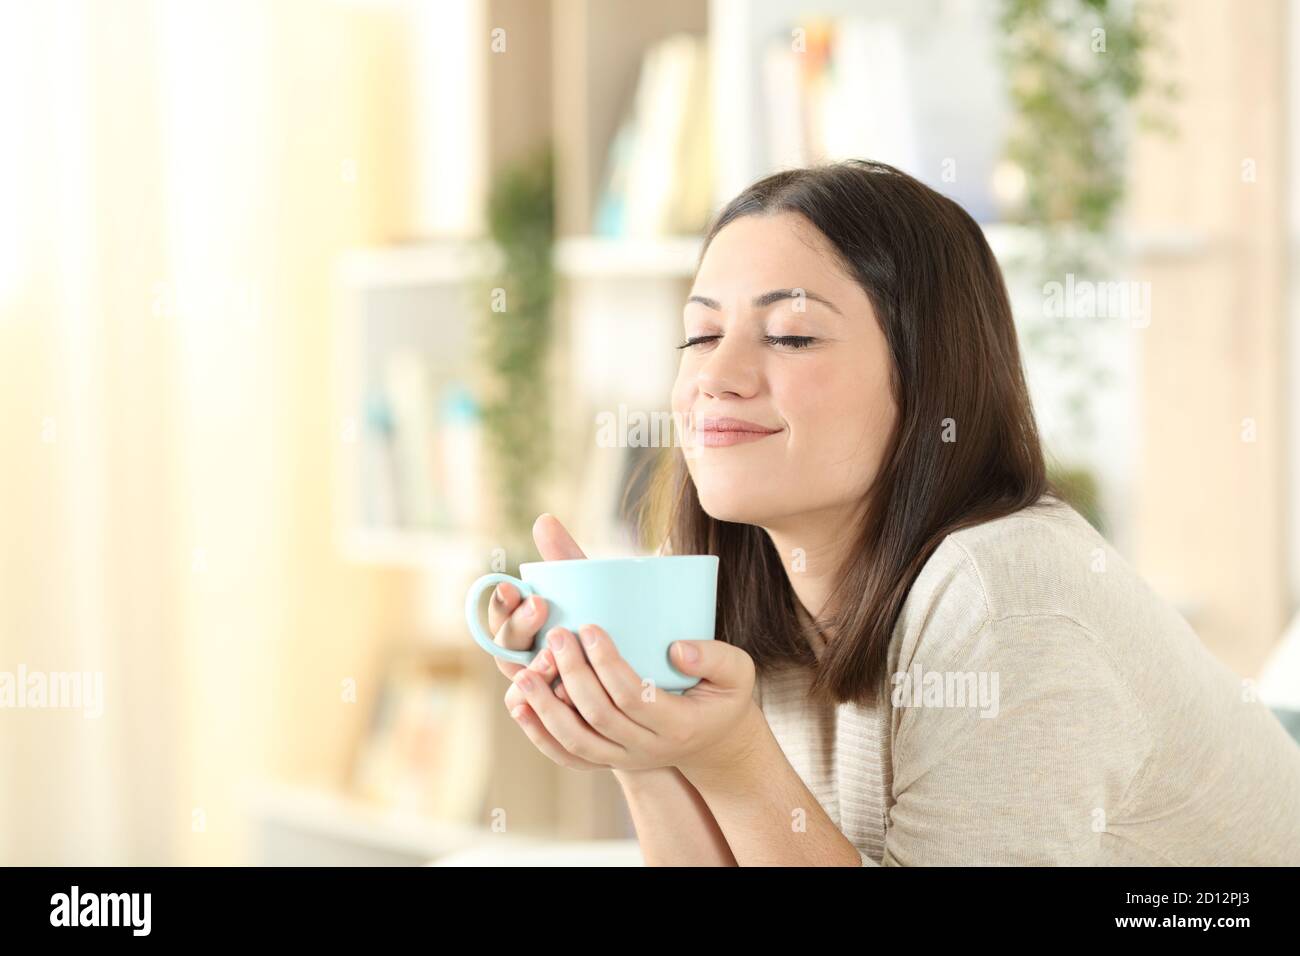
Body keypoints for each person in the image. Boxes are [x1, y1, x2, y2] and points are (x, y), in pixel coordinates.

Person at [488, 160, 1300, 865]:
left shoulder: (1006, 596)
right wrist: (640, 741)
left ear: (928, 379)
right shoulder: (740, 581)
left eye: (792, 336)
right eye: (700, 336)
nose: (717, 377)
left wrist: (735, 758)